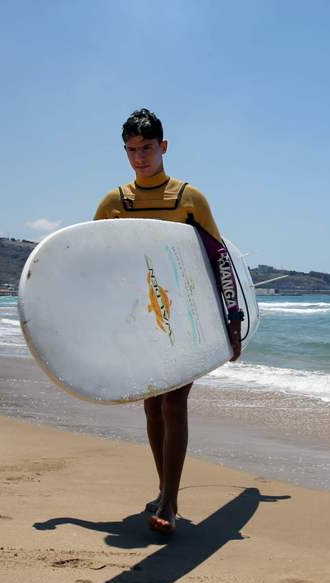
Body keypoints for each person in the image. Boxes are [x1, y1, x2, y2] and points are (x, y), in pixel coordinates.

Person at [93, 108, 243, 535]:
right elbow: (95, 265)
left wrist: (233, 321)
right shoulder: (114, 203)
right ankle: (163, 487)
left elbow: (219, 259)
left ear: (163, 147)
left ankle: (171, 503)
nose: (139, 158)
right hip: (141, 319)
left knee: (174, 402)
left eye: (146, 149)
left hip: (187, 318)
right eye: (131, 151)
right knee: (152, 406)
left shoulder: (189, 199)